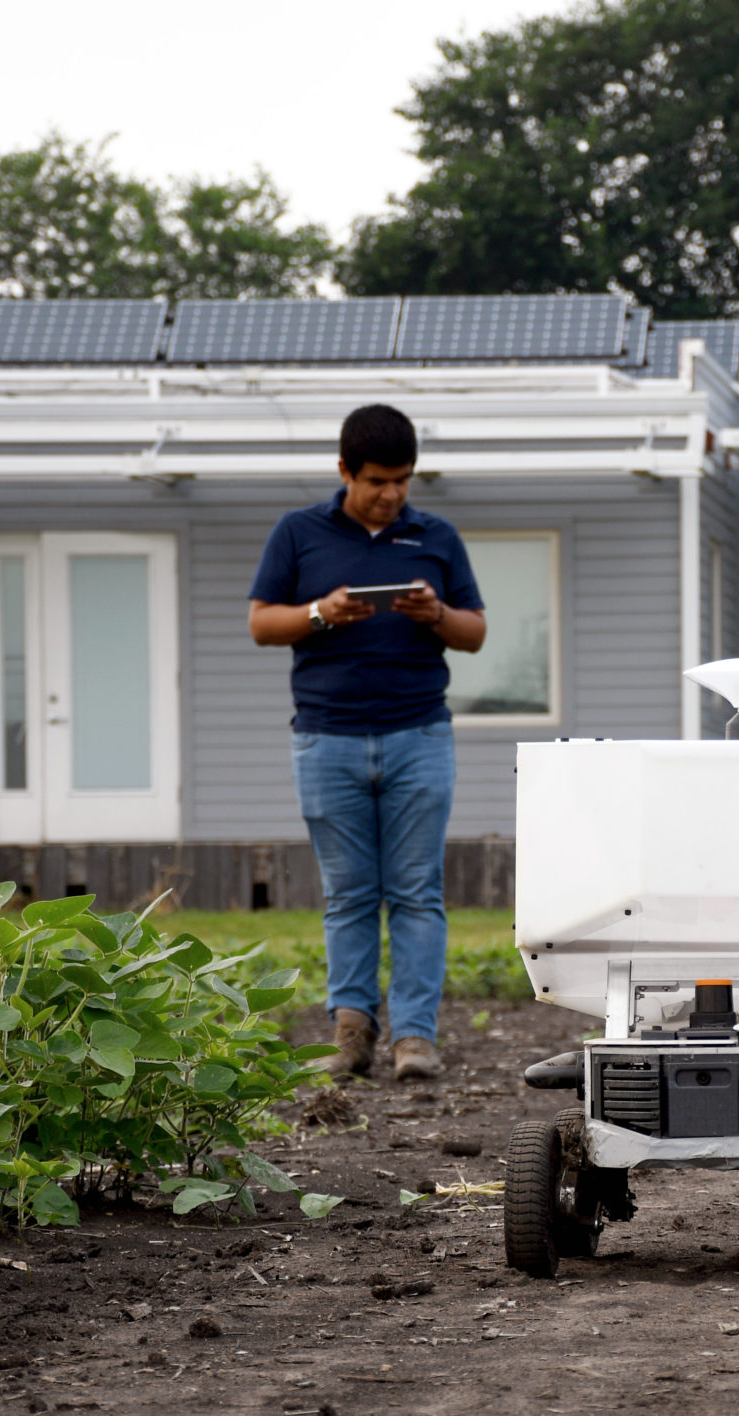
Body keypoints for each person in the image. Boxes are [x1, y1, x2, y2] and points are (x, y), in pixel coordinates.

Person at [247, 404, 488, 1081]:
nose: (391, 494)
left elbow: (475, 632)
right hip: (327, 739)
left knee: (417, 891)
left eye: (403, 481)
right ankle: (351, 1029)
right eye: (378, 480)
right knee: (349, 893)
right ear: (345, 470)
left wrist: (435, 613)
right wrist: (322, 613)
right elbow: (263, 624)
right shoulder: (299, 534)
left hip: (419, 735)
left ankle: (415, 1036)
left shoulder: (435, 537)